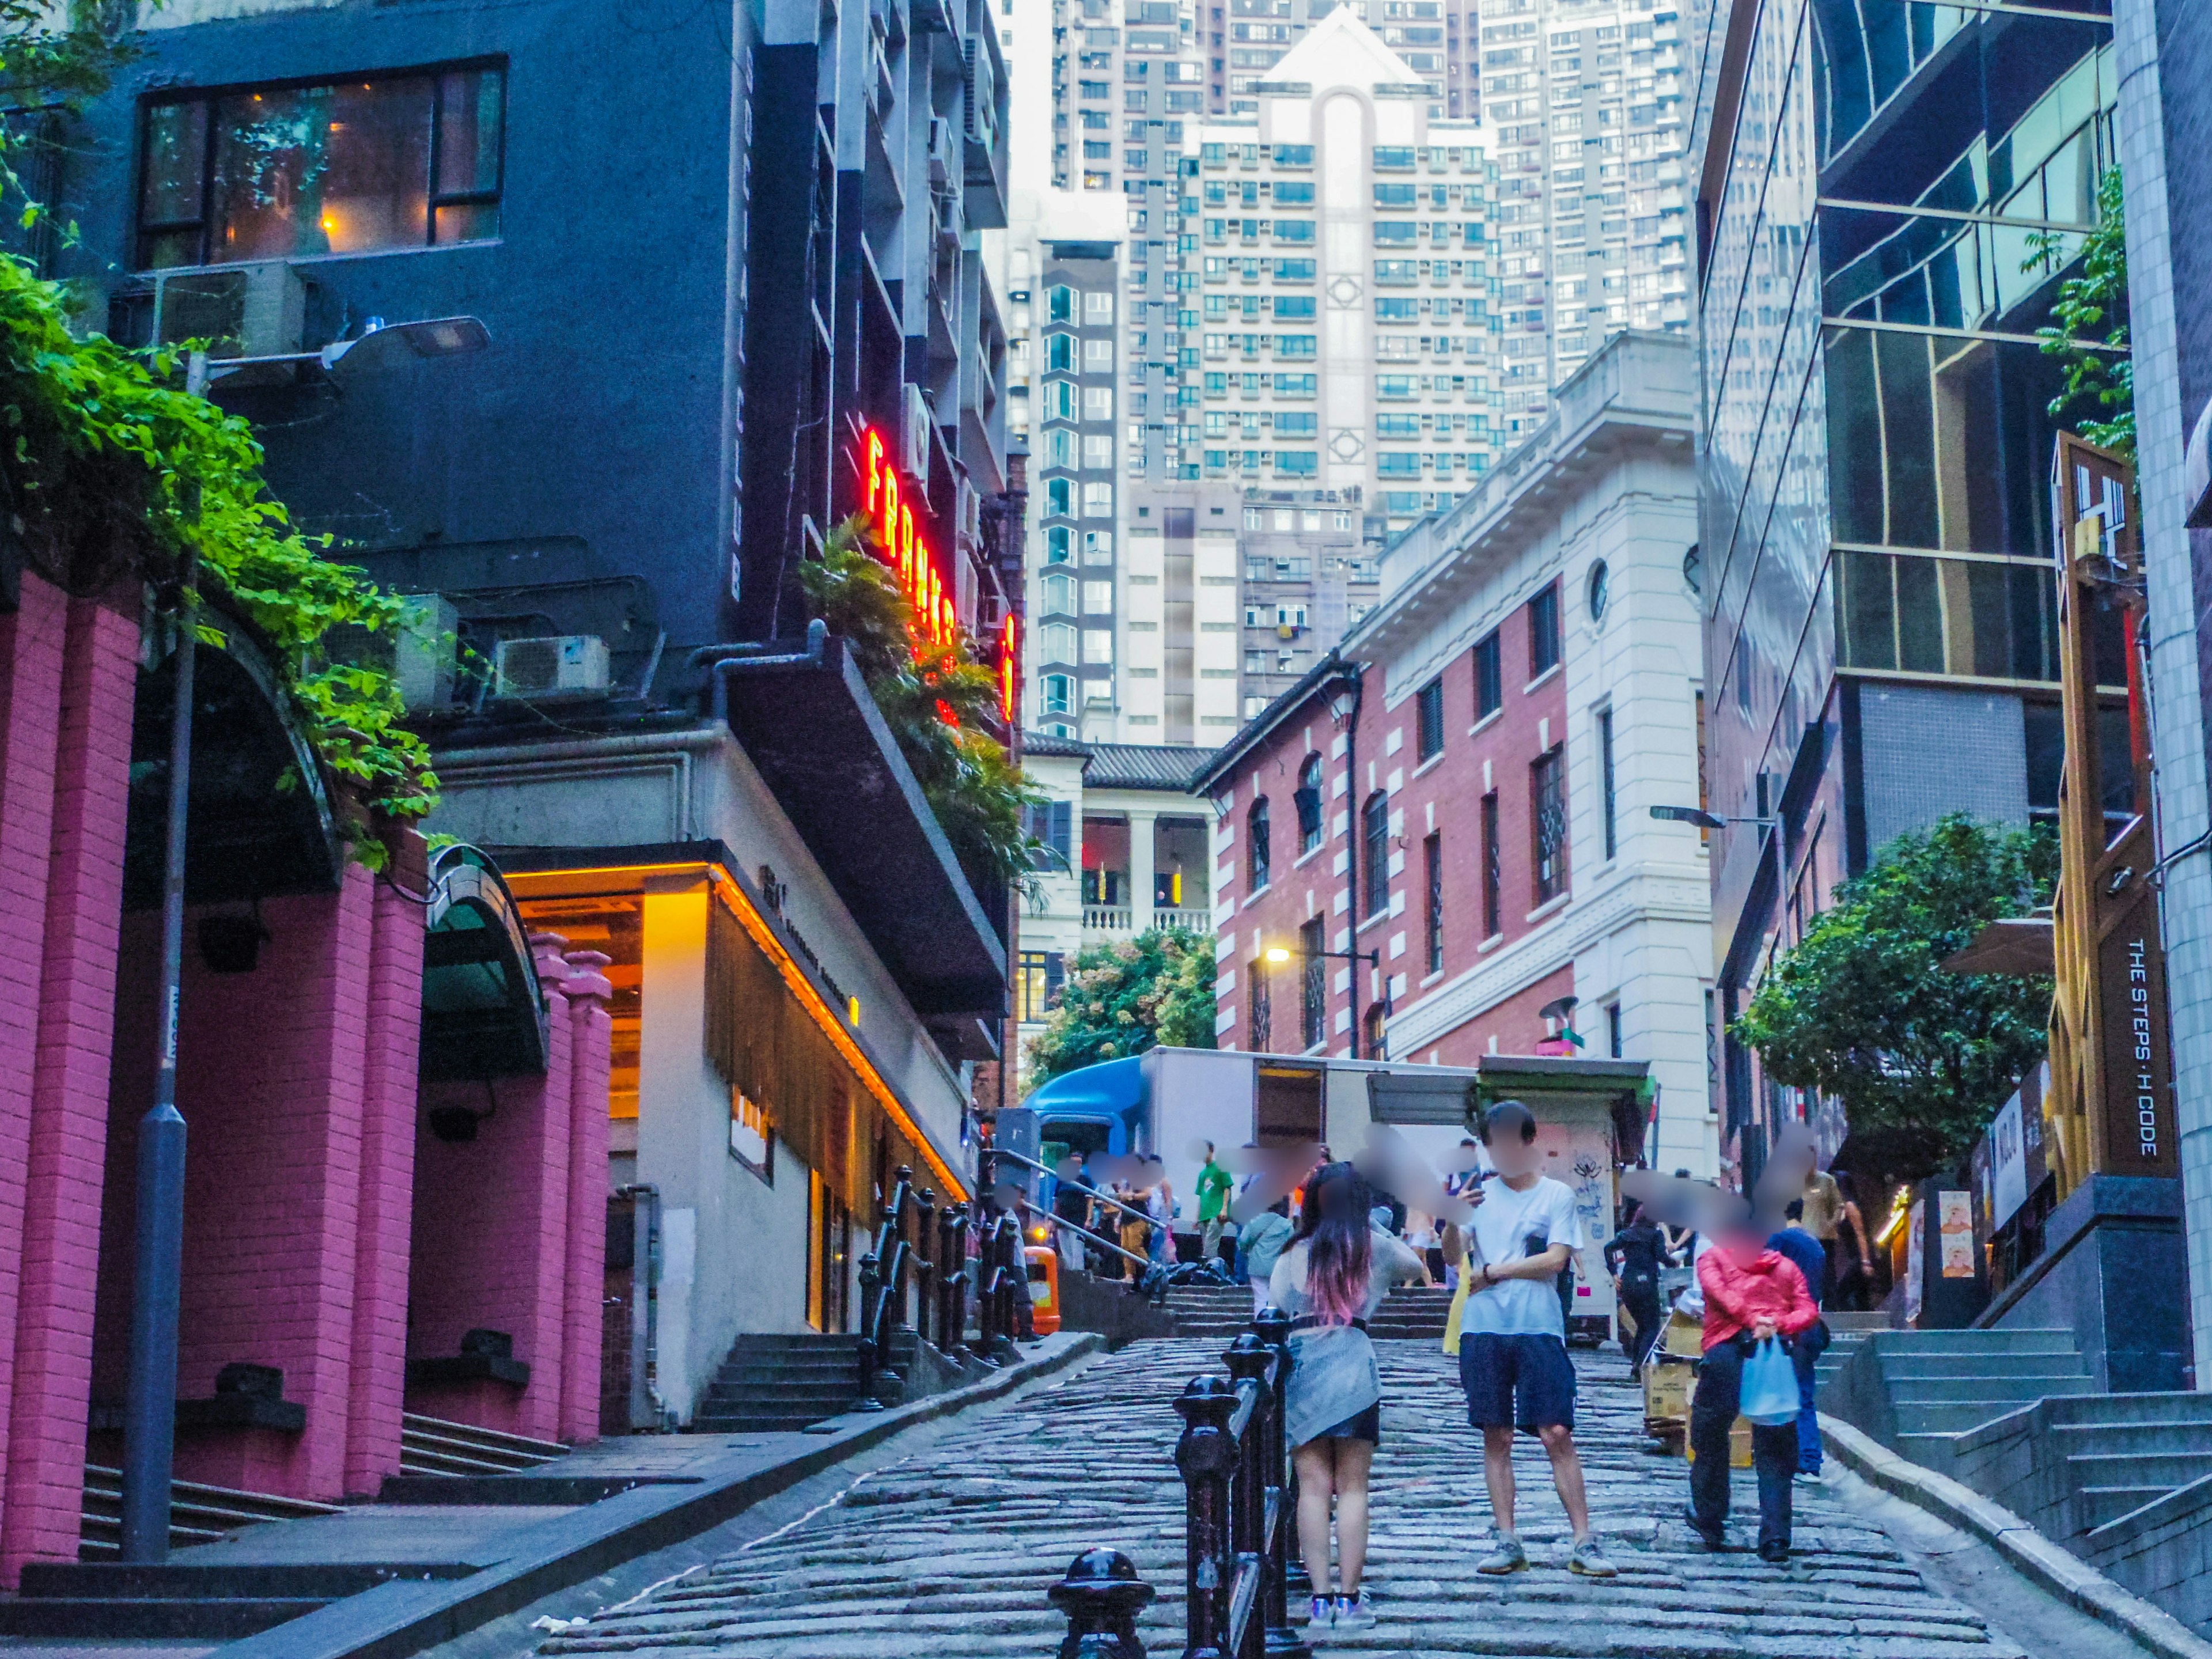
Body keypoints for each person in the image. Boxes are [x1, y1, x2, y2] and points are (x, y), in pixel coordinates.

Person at [1270, 1162, 1430, 1634]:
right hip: (1354, 1366)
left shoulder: (1293, 1252)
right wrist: (1372, 1222)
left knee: (1313, 1487)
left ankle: (1320, 1602)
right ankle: (1350, 1599)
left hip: (1303, 1366)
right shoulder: (1373, 1248)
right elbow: (1414, 1264)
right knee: (1354, 1488)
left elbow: (1271, 1312)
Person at [1458, 1101, 1616, 1579]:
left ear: (1527, 1142)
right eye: (1494, 1141)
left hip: (1539, 1325)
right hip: (1483, 1326)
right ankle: (1507, 1538)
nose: (1502, 1149)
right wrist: (1450, 1219)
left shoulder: (1556, 1196)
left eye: (1510, 1139)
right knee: (1496, 1435)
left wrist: (1494, 1271)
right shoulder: (1478, 1198)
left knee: (1557, 1433)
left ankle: (1584, 1540)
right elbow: (1453, 1260)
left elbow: (1556, 1260)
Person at [1686, 1204, 1821, 1562]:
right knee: (1776, 1448)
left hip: (1727, 1356)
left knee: (1710, 1438)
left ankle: (1711, 1520)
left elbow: (1720, 1296)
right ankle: (1776, 1538)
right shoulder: (1786, 1267)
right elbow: (1808, 1311)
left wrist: (1753, 1319)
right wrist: (1777, 1324)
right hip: (1776, 1358)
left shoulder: (1712, 1260)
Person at [1767, 1201, 1832, 1479]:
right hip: (1811, 1325)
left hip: (1789, 1326)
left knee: (1786, 1396)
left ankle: (1800, 1458)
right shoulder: (1815, 1245)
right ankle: (1810, 1458)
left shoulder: (1779, 1241)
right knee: (1804, 1394)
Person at [1604, 1199, 1675, 1374]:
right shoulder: (1655, 1235)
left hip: (1627, 1283)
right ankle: (1641, 1365)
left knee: (1642, 1326)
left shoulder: (1626, 1234)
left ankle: (1635, 1362)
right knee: (1652, 1327)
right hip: (1647, 1283)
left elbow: (1608, 1249)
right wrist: (1674, 1261)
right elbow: (1661, 1256)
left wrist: (1614, 1273)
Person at [1240, 1198, 1294, 1313]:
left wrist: (1246, 1253)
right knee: (1276, 1298)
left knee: (1260, 1298)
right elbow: (1292, 1246)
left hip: (1257, 1266)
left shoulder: (1254, 1221)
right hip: (1278, 1268)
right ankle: (1275, 1323)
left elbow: (1243, 1241)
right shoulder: (1286, 1224)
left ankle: (1261, 1324)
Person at [1196, 1143, 1234, 1265]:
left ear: (1211, 1151)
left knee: (1209, 1247)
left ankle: (1208, 1272)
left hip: (1216, 1213)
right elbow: (1201, 1196)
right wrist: (1197, 1217)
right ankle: (1212, 1270)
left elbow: (1227, 1188)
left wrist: (1224, 1209)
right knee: (1207, 1246)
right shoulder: (1202, 1174)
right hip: (1204, 1215)